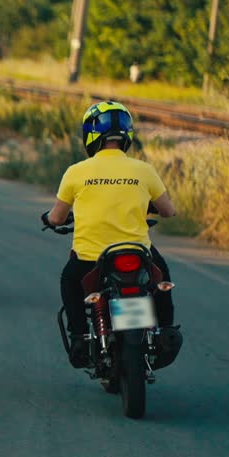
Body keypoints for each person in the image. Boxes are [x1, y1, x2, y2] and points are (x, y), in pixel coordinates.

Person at [43, 100, 183, 368]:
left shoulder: (76, 172)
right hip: (138, 253)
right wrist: (147, 205)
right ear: (128, 135)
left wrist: (48, 219)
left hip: (91, 258)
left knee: (69, 280)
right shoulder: (144, 170)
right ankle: (166, 331)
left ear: (90, 135)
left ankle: (80, 337)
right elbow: (169, 211)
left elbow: (58, 217)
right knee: (161, 279)